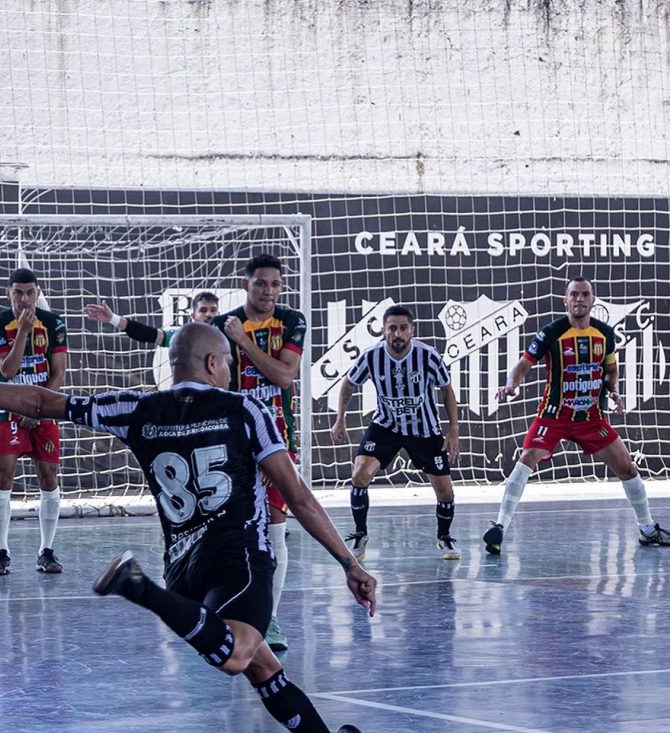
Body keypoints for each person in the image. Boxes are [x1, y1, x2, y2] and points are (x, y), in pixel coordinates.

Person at [0, 323, 378, 733]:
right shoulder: (245, 408)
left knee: (265, 671)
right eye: (229, 363)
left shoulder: (136, 408)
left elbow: (39, 402)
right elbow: (297, 496)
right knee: (238, 654)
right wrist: (349, 563)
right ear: (213, 363)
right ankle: (138, 587)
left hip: (184, 570)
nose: (231, 371)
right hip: (240, 559)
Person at [483, 275, 670, 554]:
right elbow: (523, 364)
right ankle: (499, 527)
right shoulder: (551, 332)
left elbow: (611, 369)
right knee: (526, 458)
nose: (579, 299)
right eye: (574, 295)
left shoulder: (605, 334)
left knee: (627, 467)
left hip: (590, 418)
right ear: (565, 301)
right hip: (553, 415)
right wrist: (511, 384)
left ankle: (647, 530)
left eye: (585, 294)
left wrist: (614, 390)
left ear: (593, 300)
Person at [212, 254, 306, 653]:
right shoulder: (221, 324)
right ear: (245, 284)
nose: (269, 291)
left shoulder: (291, 321)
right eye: (261, 284)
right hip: (231, 441)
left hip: (278, 441)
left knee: (275, 527)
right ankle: (224, 609)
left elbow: (284, 376)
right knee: (229, 530)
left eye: (275, 284)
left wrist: (243, 341)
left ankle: (268, 619)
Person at [330, 305, 461, 561]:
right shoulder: (372, 356)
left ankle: (444, 537)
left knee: (445, 492)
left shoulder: (428, 356)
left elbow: (447, 390)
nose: (397, 333)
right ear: (383, 330)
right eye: (392, 328)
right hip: (386, 427)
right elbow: (348, 383)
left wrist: (453, 429)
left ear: (412, 330)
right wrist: (339, 420)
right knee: (359, 475)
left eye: (403, 328)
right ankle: (360, 534)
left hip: (424, 431)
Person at [0, 268, 68, 576]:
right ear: (9, 294)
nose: (24, 299)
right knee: (3, 476)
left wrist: (40, 409)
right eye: (18, 293)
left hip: (43, 411)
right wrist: (21, 330)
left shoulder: (54, 323)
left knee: (48, 477)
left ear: (38, 293)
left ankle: (46, 551)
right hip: (7, 411)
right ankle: (1, 552)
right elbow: (7, 371)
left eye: (30, 292)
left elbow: (58, 372)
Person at [83, 291, 219, 346]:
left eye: (213, 310)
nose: (209, 315)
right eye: (203, 310)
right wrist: (113, 318)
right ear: (192, 316)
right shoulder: (183, 336)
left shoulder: (228, 335)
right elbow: (148, 334)